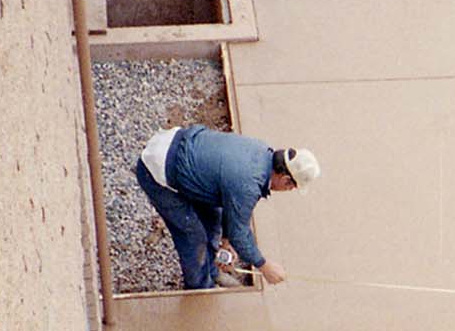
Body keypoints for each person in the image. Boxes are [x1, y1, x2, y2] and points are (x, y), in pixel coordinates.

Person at [135, 124, 319, 291]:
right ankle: (201, 287)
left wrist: (226, 241)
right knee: (193, 236)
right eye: (292, 187)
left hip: (179, 150)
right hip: (156, 172)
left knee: (214, 217)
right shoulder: (248, 183)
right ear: (286, 180)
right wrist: (264, 266)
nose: (289, 190)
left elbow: (233, 207)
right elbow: (240, 232)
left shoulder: (261, 153)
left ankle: (211, 271)